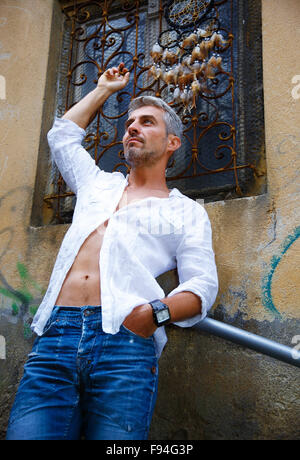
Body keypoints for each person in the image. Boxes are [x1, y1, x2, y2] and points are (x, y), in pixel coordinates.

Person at [6, 63, 218, 440]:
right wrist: (103, 89)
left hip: (124, 343)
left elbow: (201, 286)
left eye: (147, 122)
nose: (132, 127)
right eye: (130, 123)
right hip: (56, 336)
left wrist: (152, 315)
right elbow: (63, 137)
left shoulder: (186, 210)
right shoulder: (97, 185)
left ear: (172, 143)